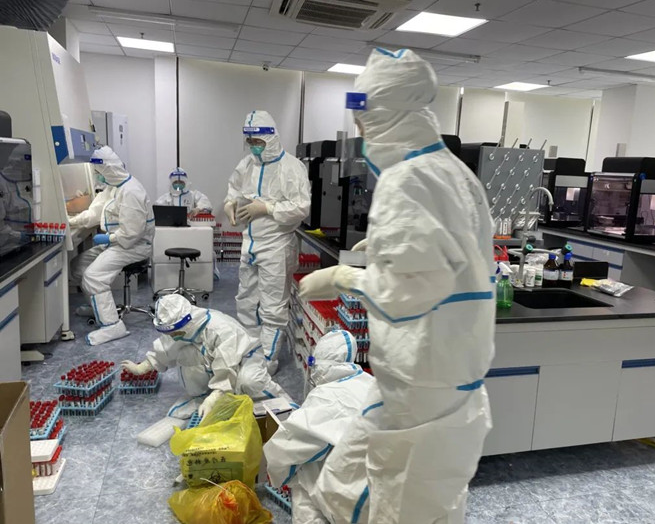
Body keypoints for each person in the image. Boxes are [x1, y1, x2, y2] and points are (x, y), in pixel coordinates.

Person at [300, 48, 496, 523]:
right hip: (440, 369)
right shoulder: (451, 170)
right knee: (355, 477)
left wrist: (343, 277)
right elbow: (452, 251)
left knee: (404, 500)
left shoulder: (407, 179)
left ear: (385, 115)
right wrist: (388, 247)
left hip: (423, 378)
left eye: (364, 121)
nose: (361, 132)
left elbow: (406, 296)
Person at [223, 111, 310, 374]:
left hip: (276, 245)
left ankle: (267, 361)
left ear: (271, 138)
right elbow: (234, 188)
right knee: (246, 300)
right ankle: (250, 351)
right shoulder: (247, 164)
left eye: (258, 142)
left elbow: (301, 207)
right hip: (249, 243)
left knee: (273, 306)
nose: (254, 147)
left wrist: (267, 208)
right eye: (250, 142)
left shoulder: (292, 167)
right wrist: (229, 203)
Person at [264, 330, 375, 524]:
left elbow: (288, 446)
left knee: (301, 469)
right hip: (389, 494)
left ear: (320, 364)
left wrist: (276, 473)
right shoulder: (371, 383)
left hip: (355, 504)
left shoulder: (327, 396)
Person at [121, 294, 286, 419]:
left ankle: (281, 401)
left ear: (187, 321)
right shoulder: (180, 329)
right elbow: (166, 348)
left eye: (173, 331)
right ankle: (202, 397)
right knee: (186, 355)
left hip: (245, 357)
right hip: (216, 358)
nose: (171, 336)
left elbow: (226, 365)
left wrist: (215, 397)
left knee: (249, 381)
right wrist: (143, 367)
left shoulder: (219, 329)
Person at [70, 146, 155, 346]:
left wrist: (108, 238)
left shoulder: (131, 191)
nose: (97, 176)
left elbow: (132, 233)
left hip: (133, 246)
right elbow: (95, 213)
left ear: (107, 169)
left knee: (93, 277)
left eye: (98, 172)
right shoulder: (113, 186)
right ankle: (98, 307)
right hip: (117, 242)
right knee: (78, 266)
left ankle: (112, 325)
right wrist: (70, 222)